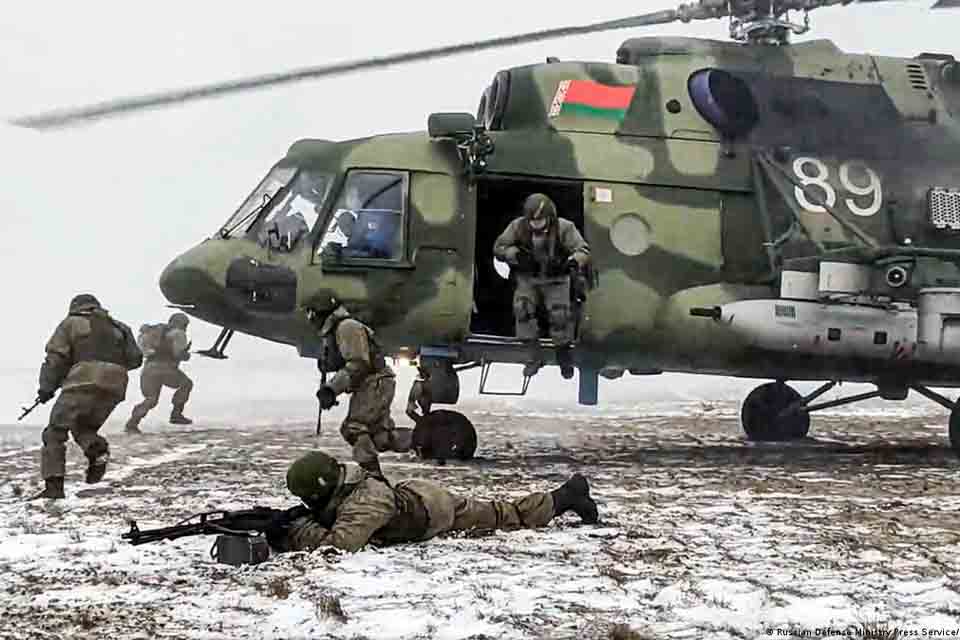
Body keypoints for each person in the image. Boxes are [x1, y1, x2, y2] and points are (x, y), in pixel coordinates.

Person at [266, 450, 599, 553]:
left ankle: (567, 496)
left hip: (432, 512)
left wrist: (295, 529)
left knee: (506, 517)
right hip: (419, 496)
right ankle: (566, 495)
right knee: (502, 511)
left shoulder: (365, 503)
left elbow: (338, 546)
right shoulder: (352, 490)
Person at [33, 294, 143, 499]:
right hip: (116, 385)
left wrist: (46, 387)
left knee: (54, 433)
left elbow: (56, 358)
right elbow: (136, 359)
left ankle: (54, 488)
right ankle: (97, 450)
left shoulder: (71, 323)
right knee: (84, 427)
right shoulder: (119, 327)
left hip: (83, 382)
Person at [493, 193, 590, 379]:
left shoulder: (564, 228)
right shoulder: (517, 227)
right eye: (532, 221)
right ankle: (533, 356)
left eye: (540, 221)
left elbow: (582, 250)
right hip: (528, 278)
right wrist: (516, 256)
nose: (536, 225)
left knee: (559, 315)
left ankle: (563, 353)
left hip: (557, 279)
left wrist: (571, 262)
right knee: (522, 308)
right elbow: (499, 248)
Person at [311, 302, 410, 476]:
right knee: (379, 437)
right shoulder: (340, 329)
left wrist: (332, 389)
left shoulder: (347, 327)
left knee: (354, 428)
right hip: (375, 382)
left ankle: (373, 479)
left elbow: (358, 364)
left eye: (311, 314)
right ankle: (423, 440)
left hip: (374, 382)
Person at [125, 312, 194, 433]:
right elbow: (178, 354)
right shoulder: (178, 334)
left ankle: (132, 423)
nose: (186, 328)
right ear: (181, 323)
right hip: (165, 368)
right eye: (185, 325)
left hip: (148, 370)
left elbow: (143, 350)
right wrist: (186, 354)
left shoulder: (151, 332)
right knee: (186, 384)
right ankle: (176, 414)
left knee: (151, 399)